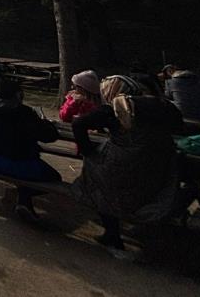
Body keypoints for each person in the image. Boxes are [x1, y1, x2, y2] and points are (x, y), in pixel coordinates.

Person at [72, 76, 184, 255]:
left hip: (123, 170)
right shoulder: (160, 105)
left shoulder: (115, 108)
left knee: (95, 180)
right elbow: (180, 127)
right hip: (160, 169)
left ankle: (112, 233)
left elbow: (78, 123)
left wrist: (87, 151)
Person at [0, 79, 60, 221]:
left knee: (26, 171)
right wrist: (46, 124)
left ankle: (23, 197)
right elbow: (49, 136)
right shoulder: (24, 113)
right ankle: (23, 195)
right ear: (18, 95)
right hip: (18, 163)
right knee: (55, 178)